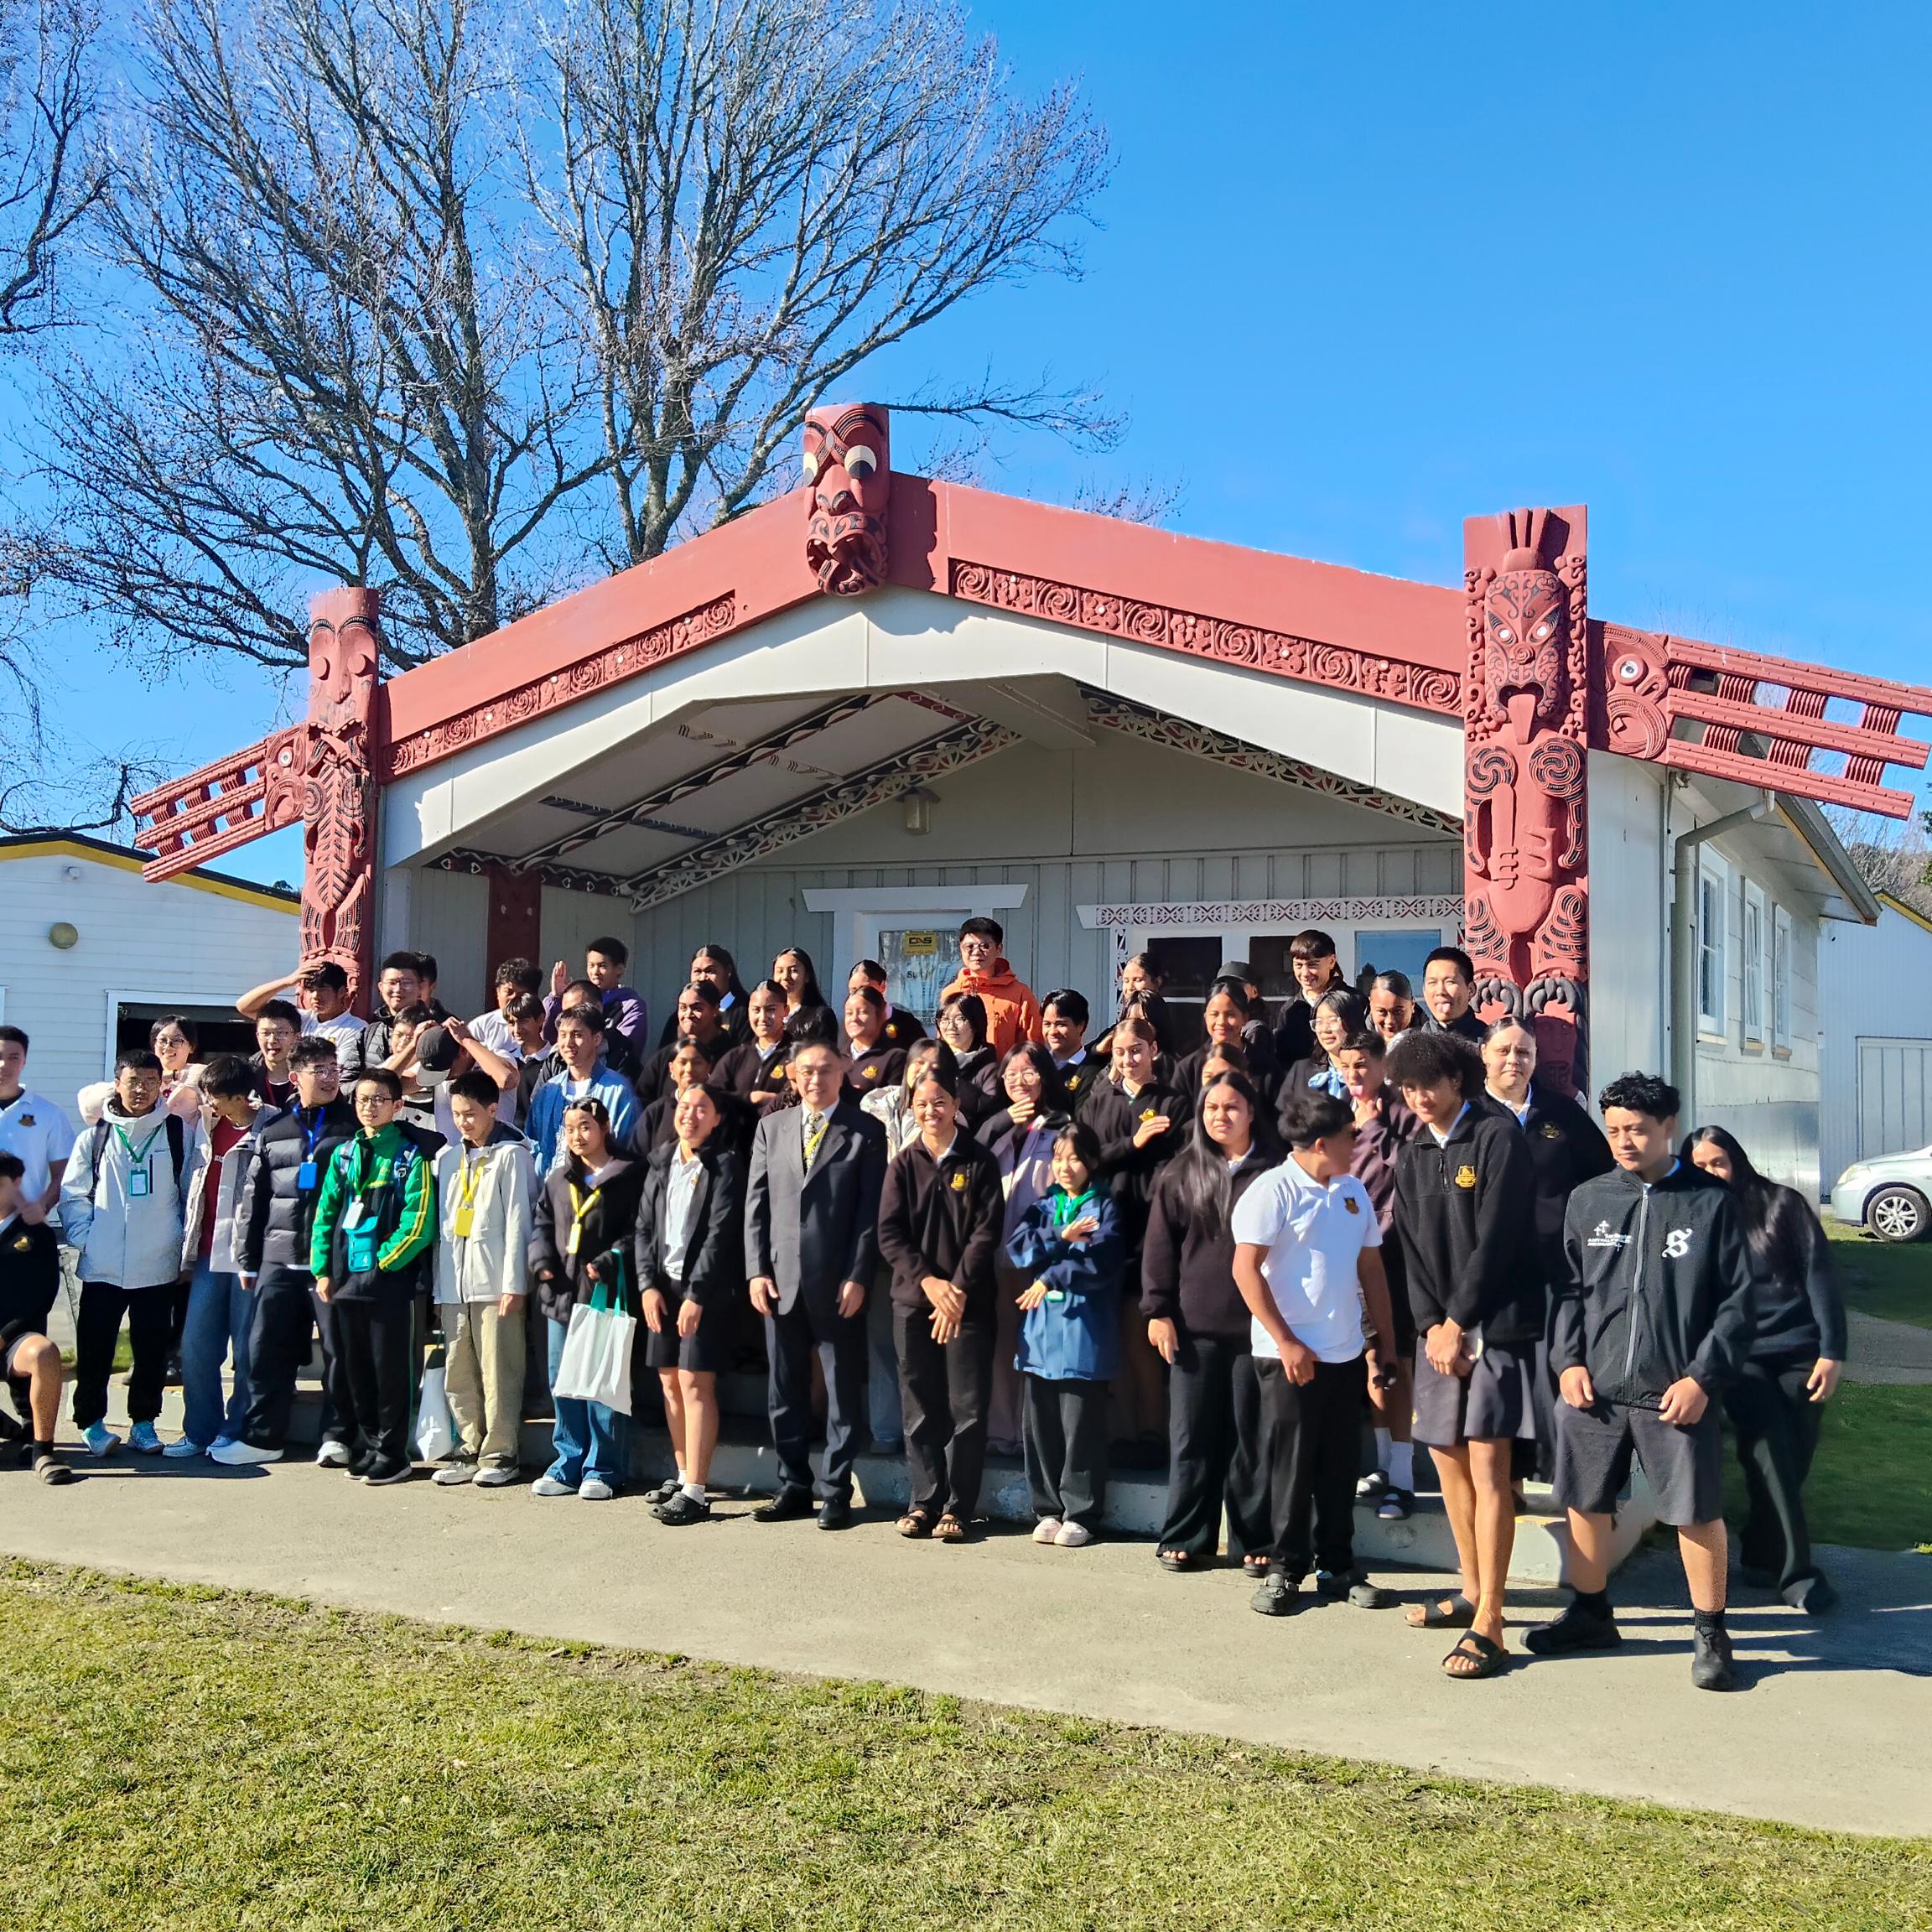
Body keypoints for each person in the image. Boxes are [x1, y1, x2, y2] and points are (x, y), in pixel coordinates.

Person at [1530, 1072, 1758, 1691]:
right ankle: (1590, 1613)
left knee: (1693, 1510)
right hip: (1594, 1389)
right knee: (1584, 1500)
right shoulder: (1590, 1199)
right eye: (1614, 1130)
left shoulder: (1712, 1202)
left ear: (1669, 1128)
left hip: (1676, 1392)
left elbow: (1739, 1304)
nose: (1624, 1141)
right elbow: (1569, 1292)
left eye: (1637, 1130)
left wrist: (1703, 1378)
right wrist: (1567, 1361)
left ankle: (1711, 1630)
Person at [1386, 1027, 1543, 1680]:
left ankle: (1493, 1620)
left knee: (1489, 1468)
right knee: (1447, 1463)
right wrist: (1430, 1327)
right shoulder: (1413, 1151)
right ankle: (1470, 1590)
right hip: (1438, 1339)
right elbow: (1412, 1251)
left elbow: (1501, 1239)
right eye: (1408, 1087)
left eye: (1430, 1084)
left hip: (1495, 1329)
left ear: (1458, 1081)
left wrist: (1459, 1321)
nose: (1419, 1097)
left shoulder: (1498, 1137)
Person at [1233, 1090, 1399, 1618]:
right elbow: (1245, 1270)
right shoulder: (1271, 1191)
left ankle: (1338, 1565)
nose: (1359, 1144)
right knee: (1291, 1467)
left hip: (1345, 1353)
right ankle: (1285, 1568)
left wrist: (1384, 1348)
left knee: (1338, 1464)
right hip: (1288, 1359)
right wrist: (1287, 1342)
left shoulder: (1352, 1191)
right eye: (1352, 1136)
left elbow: (1371, 1270)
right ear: (1324, 1142)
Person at [1685, 1124, 1846, 1615]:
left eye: (1717, 1162)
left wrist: (1832, 1351)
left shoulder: (1783, 1205)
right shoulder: (1696, 1215)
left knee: (1790, 1460)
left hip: (1800, 1351)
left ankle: (1759, 1552)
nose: (1711, 1173)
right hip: (1742, 1358)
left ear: (1737, 1159)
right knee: (1770, 1453)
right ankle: (1798, 1574)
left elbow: (1820, 1276)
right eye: (1699, 1167)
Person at [1141, 1070, 1280, 1572]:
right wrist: (1157, 1310)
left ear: (1251, 1113)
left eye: (1232, 1108)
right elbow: (1159, 1249)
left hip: (1258, 1331)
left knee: (1252, 1439)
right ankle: (1186, 1536)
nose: (1220, 1116)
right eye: (1211, 1108)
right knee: (1192, 1436)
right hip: (1193, 1329)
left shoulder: (1276, 1173)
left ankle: (1255, 1541)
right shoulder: (1181, 1172)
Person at [745, 1039, 887, 1528]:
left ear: (843, 1071)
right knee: (783, 1389)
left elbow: (869, 1215)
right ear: (791, 1074)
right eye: (806, 1071)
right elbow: (756, 1208)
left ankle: (836, 1490)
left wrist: (858, 1275)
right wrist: (756, 1271)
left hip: (837, 1282)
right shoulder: (771, 1128)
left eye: (825, 1070)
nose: (815, 1079)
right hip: (780, 1279)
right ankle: (793, 1485)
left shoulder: (866, 1131)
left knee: (842, 1388)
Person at [216, 1036, 361, 1467]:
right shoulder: (274, 1130)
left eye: (334, 1068)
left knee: (340, 1352)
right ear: (295, 1077)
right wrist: (247, 1258)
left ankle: (337, 1436)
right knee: (265, 1350)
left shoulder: (354, 1129)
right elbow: (253, 1198)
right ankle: (263, 1437)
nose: (331, 1077)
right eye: (319, 1070)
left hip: (333, 1262)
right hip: (279, 1259)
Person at [1482, 1015, 1614, 1483]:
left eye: (1524, 1052)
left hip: (1558, 1273)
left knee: (1557, 1373)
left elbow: (1603, 1180)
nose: (1514, 1061)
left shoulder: (1562, 1113)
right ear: (1485, 1056)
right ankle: (1510, 1481)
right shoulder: (1470, 1116)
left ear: (1536, 1059)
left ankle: (1560, 1477)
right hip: (1493, 1278)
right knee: (1505, 1384)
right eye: (1504, 1051)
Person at [878, 1062, 1004, 1541]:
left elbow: (986, 1233)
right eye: (922, 1103)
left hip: (968, 1304)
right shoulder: (902, 1165)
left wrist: (957, 1291)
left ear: (955, 1106)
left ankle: (959, 1506)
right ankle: (924, 1501)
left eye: (940, 1102)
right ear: (912, 1108)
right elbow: (890, 1235)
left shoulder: (979, 1161)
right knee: (920, 1406)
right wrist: (931, 1285)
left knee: (966, 1409)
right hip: (914, 1302)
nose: (931, 1111)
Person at [59, 1048, 205, 1457]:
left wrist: (180, 1244)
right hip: (102, 1264)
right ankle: (91, 1422)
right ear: (117, 1083)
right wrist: (86, 1238)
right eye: (132, 1081)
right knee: (95, 1349)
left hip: (158, 1263)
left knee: (151, 1351)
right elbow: (72, 1193)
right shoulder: (96, 1135)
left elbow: (191, 1192)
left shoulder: (178, 1132)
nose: (140, 1089)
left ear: (162, 1084)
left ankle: (144, 1423)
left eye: (148, 1081)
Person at [308, 1067, 438, 1483]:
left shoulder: (409, 1155)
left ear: (398, 1106)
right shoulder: (345, 1154)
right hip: (345, 1280)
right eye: (363, 1099)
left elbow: (418, 1221)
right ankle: (367, 1445)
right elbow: (325, 1213)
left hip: (389, 1282)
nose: (370, 1107)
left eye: (379, 1099)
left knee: (390, 1370)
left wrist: (384, 1261)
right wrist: (323, 1269)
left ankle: (393, 1452)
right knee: (355, 1368)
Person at [1004, 1120, 1124, 1547]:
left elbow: (1098, 1261)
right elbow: (1018, 1249)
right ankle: (1048, 1508)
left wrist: (1051, 1276)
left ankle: (1082, 1512)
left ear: (1091, 1161)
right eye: (1058, 1158)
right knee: (1040, 1425)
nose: (1065, 1166)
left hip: (1082, 1331)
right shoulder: (1043, 1207)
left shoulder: (1104, 1207)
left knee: (1081, 1425)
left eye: (1074, 1157)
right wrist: (1060, 1234)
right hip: (1039, 1334)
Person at [636, 1082, 745, 1525]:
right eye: (685, 1106)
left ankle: (698, 1491)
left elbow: (720, 1235)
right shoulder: (661, 1160)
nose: (691, 1115)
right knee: (668, 1382)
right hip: (663, 1288)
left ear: (717, 1119)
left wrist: (697, 1294)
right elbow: (643, 1227)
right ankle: (682, 1476)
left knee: (695, 1382)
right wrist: (647, 1285)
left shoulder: (726, 1165)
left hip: (705, 1292)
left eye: (702, 1109)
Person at [529, 1095, 646, 1499]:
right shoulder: (559, 1177)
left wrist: (612, 1259)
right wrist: (542, 1262)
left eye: (586, 1127)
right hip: (561, 1293)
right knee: (563, 1380)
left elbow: (640, 1229)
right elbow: (542, 1222)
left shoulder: (630, 1174)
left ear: (604, 1129)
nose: (577, 1136)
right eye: (570, 1128)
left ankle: (605, 1467)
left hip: (603, 1294)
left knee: (600, 1383)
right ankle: (567, 1462)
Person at [429, 1070, 535, 1488]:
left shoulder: (513, 1155)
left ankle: (501, 1451)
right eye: (456, 1114)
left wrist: (515, 1283)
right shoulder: (448, 1159)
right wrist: (440, 1286)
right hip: (455, 1280)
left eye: (471, 1114)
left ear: (493, 1109)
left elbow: (518, 1222)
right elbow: (444, 1225)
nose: (463, 1123)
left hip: (495, 1283)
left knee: (499, 1368)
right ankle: (469, 1445)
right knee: (459, 1367)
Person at [1083, 1014, 1184, 1451]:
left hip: (1151, 1231)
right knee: (1116, 1337)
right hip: (1106, 1231)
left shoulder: (1172, 1101)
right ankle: (1123, 1432)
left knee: (1144, 1332)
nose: (1128, 1059)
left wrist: (1130, 1155)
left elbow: (1172, 1168)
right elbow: (1085, 1159)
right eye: (1121, 1052)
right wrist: (1133, 1145)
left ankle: (1153, 1432)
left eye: (1137, 1051)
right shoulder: (1096, 1100)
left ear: (1154, 1051)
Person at [1332, 1028, 1420, 1519]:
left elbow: (1412, 1172)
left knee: (1395, 1359)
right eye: (1347, 1067)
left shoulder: (1401, 1113)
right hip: (1348, 1257)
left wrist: (1374, 1128)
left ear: (1383, 1065)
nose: (1355, 1076)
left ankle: (1404, 1479)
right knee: (1370, 1360)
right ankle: (1386, 1465)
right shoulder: (1339, 1112)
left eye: (1363, 1065)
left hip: (1394, 1257)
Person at [858, 1036, 955, 1454]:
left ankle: (934, 1433)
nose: (923, 1072)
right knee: (881, 1343)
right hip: (881, 1240)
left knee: (927, 1350)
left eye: (934, 1066)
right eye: (919, 1063)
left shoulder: (948, 1117)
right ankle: (884, 1430)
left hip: (931, 1249)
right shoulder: (873, 1106)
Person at [980, 1041, 1074, 1459]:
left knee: (1037, 1346)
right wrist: (1001, 1122)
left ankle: (1035, 1437)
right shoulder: (995, 1127)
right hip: (996, 1256)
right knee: (1001, 1344)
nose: (1019, 1082)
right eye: (1010, 1075)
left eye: (1029, 1073)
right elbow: (971, 1165)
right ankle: (1002, 1431)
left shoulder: (1060, 1126)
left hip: (1040, 1258)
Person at [169, 1054, 265, 1458]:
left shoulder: (271, 1127)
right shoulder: (204, 1127)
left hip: (249, 1258)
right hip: (207, 1253)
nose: (207, 1101)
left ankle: (236, 1428)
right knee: (196, 1346)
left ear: (238, 1097)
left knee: (246, 1349)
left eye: (214, 1095)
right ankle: (198, 1431)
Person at [0, 1151, 71, 1483]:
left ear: (16, 1183)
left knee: (44, 1353)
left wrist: (3, 1335)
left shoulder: (36, 1233)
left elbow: (40, 1298)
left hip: (16, 1339)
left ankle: (42, 1451)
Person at [525, 1002, 640, 1176]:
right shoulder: (548, 1091)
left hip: (597, 1193)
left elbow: (627, 1149)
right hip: (549, 1194)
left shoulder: (618, 1091)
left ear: (597, 1039)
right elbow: (533, 1145)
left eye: (577, 1035)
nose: (568, 1043)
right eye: (562, 1035)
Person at [0, 1028, 73, 1229]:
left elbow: (64, 1172)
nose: (3, 1065)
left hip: (22, 1228)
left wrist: (43, 1205)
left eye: (13, 1057)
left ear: (24, 1061)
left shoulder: (49, 1114)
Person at [938, 917, 1042, 1058]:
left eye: (984, 946)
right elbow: (942, 1041)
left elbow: (1033, 1047)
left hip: (1001, 1077)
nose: (976, 952)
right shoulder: (951, 992)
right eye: (969, 947)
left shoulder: (1020, 994)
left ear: (999, 949)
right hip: (958, 1076)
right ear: (961, 949)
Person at [238, 963, 368, 1067]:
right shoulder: (301, 1018)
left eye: (323, 990)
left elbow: (336, 1072)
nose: (315, 996)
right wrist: (287, 982)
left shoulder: (357, 1028)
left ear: (341, 992)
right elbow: (245, 1007)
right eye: (311, 990)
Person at [544, 937, 647, 1071]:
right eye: (591, 965)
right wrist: (557, 998)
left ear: (619, 969)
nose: (595, 972)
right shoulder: (577, 997)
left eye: (602, 966)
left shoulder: (631, 1006)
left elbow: (626, 1047)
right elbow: (548, 1038)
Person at [636, 981, 736, 1108]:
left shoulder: (732, 1056)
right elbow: (642, 1100)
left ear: (716, 1009)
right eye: (683, 1008)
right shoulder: (665, 1057)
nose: (688, 1015)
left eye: (697, 1008)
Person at [714, 979, 794, 1119]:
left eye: (771, 1010)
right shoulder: (737, 1055)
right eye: (756, 1010)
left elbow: (794, 1098)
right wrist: (749, 1098)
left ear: (786, 1010)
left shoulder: (796, 1054)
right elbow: (712, 1094)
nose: (762, 1018)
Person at [1281, 988, 1368, 1114]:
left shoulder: (1370, 1069)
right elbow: (1285, 1121)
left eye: (1332, 1021)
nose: (1325, 1029)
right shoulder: (1300, 1071)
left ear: (1351, 1021)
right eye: (1319, 1022)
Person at [1273, 929, 1348, 1070]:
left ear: (1331, 961)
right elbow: (1283, 1061)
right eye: (1298, 965)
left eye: (1313, 965)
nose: (1305, 973)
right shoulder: (1290, 1010)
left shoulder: (1353, 1002)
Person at [1176, 979, 1261, 1095]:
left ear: (1245, 1018)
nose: (1221, 1022)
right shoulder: (1188, 1069)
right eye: (1214, 1014)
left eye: (1230, 1015)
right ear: (1206, 1018)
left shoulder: (1266, 1068)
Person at [934, 989, 1000, 1128]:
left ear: (975, 1024)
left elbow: (992, 1116)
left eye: (959, 1019)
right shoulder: (929, 1060)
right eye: (945, 1019)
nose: (951, 1026)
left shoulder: (990, 1069)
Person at [467, 958, 546, 1060]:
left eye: (521, 995)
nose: (514, 998)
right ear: (498, 992)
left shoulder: (544, 1021)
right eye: (509, 992)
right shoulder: (481, 1026)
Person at [839, 984, 907, 1100]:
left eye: (862, 1012)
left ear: (880, 1016)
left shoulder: (895, 1058)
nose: (854, 1019)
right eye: (849, 1013)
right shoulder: (836, 1058)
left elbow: (892, 1106)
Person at [1040, 989, 1102, 1114]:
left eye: (1061, 1024)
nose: (1052, 1032)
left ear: (1081, 1026)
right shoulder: (1036, 1065)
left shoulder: (1092, 1072)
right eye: (1047, 1024)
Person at [848, 958, 927, 1048]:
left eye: (865, 988)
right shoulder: (850, 1025)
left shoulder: (907, 1024)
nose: (859, 995)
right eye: (853, 990)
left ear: (883, 987)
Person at [1420, 947, 1485, 1044]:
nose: (1440, 991)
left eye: (1450, 982)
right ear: (1424, 991)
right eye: (1432, 982)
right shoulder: (1411, 1046)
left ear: (1471, 989)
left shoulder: (1490, 1043)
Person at [249, 1000, 302, 1111]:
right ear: (258, 1036)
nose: (272, 1040)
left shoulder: (310, 1076)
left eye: (281, 1033)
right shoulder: (246, 1076)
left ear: (297, 1038)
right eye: (266, 1033)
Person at [771, 946, 834, 1021]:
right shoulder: (769, 1013)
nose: (785, 977)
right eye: (780, 971)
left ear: (807, 976)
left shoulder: (821, 1016)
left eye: (793, 971)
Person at [1366, 969, 1419, 1044]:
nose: (1390, 1021)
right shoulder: (1356, 1045)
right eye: (1381, 1011)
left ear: (1412, 1005)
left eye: (1398, 1011)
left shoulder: (1429, 1045)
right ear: (1370, 1004)